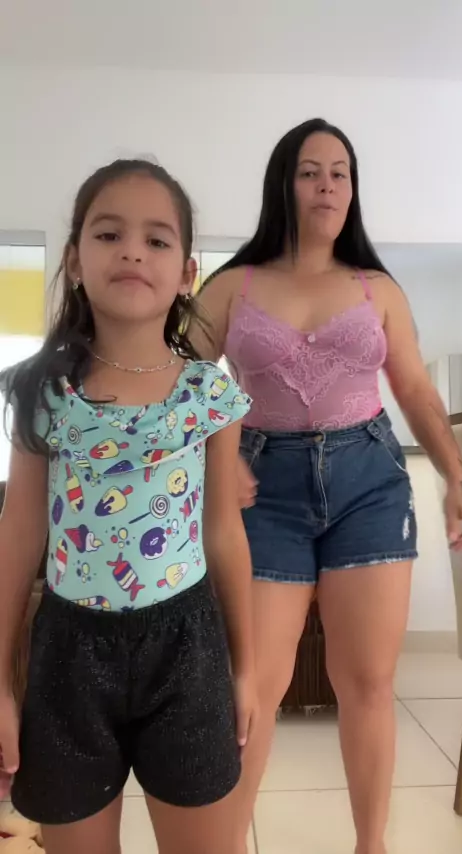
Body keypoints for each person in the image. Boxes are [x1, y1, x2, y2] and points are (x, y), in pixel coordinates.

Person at [194, 118, 462, 854]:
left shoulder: (376, 288)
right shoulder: (232, 285)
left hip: (369, 485)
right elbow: (178, 382)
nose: (326, 185)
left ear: (353, 191)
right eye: (310, 171)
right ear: (283, 185)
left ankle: (369, 846)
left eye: (340, 173)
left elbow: (414, 390)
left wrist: (457, 476)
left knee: (369, 684)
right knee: (253, 688)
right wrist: (217, 459)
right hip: (263, 493)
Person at [0, 159, 256, 854]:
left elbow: (223, 533)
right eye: (109, 234)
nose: (133, 252)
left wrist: (246, 668)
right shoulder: (41, 391)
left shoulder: (208, 394)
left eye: (157, 239)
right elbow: (18, 533)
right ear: (74, 261)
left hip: (188, 648)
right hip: (68, 655)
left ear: (187, 273)